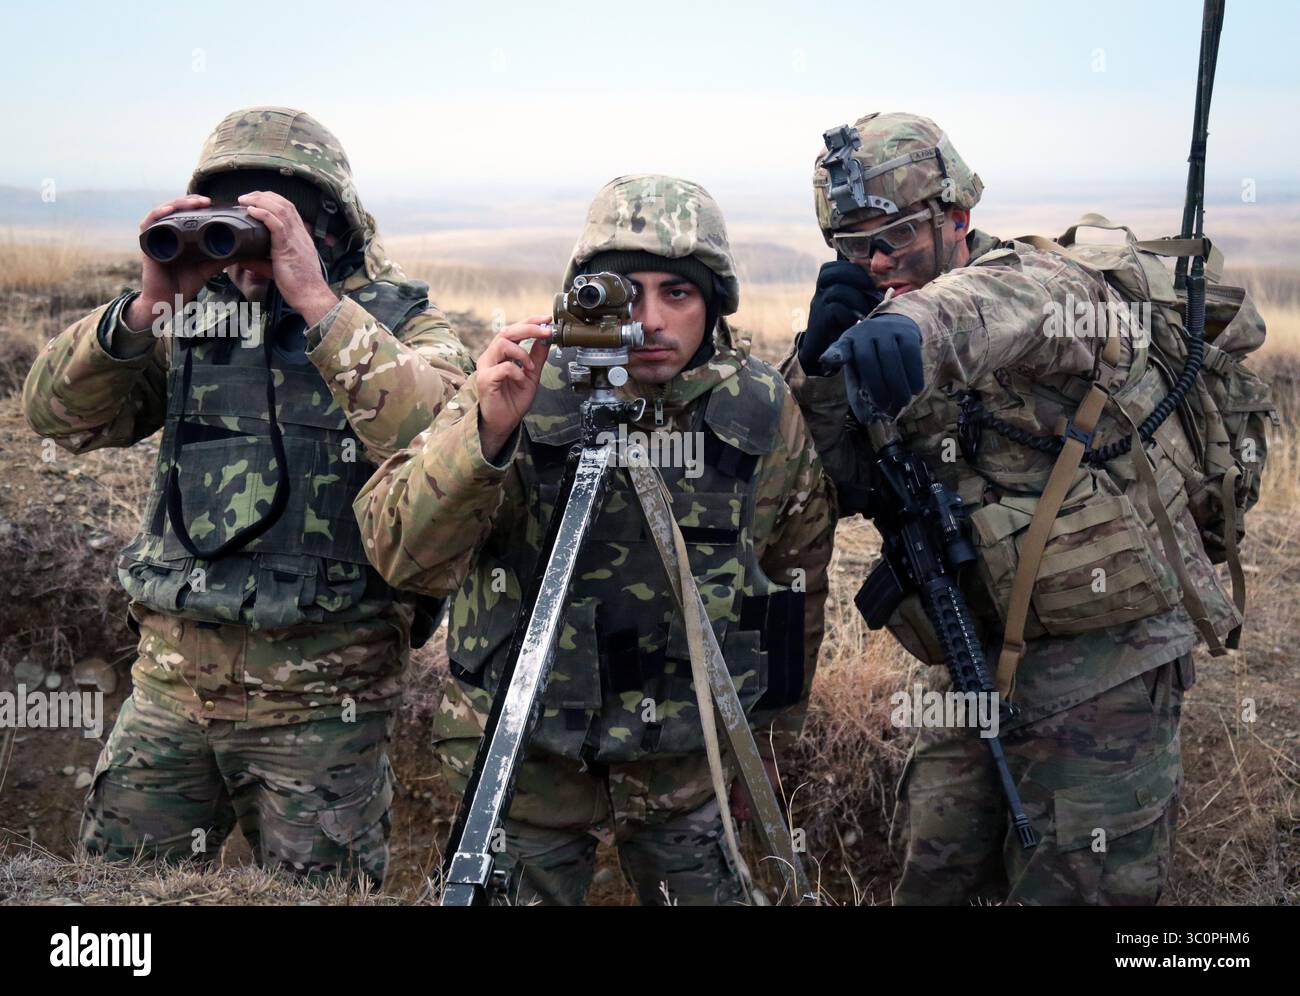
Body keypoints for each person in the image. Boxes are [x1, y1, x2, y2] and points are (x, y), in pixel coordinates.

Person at [783, 111, 1241, 905]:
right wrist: (819, 367)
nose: (878, 261)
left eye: (894, 236)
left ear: (958, 216)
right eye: (853, 248)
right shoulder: (873, 322)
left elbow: (990, 308)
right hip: (970, 659)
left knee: (1075, 888)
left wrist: (908, 323)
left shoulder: (1045, 285)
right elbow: (832, 483)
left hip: (1106, 664)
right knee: (936, 873)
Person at [23, 106, 474, 888]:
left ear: (327, 223)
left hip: (324, 702)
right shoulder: (193, 318)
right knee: (115, 898)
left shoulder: (398, 321)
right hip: (170, 687)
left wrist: (318, 307)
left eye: (274, 218)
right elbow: (59, 418)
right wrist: (143, 311)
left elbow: (443, 446)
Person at [355, 174, 835, 905]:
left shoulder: (758, 409)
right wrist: (486, 430)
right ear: (582, 295)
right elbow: (403, 553)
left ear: (714, 303)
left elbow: (794, 574)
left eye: (678, 294)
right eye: (622, 293)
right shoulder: (524, 387)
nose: (648, 320)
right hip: (525, 760)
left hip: (686, 762)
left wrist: (766, 740)